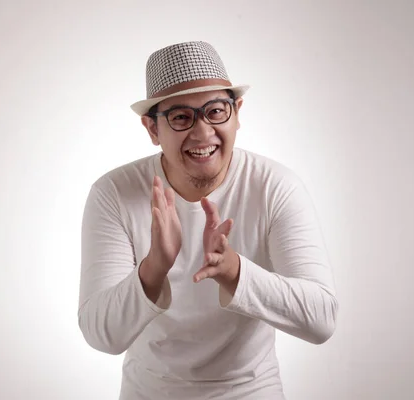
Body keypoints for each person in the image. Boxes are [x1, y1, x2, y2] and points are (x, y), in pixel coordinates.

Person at [78, 41, 338, 400]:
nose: (202, 133)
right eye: (181, 117)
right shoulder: (114, 194)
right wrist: (153, 268)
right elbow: (100, 334)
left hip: (251, 391)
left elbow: (321, 319)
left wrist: (233, 270)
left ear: (237, 113)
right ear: (152, 129)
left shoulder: (275, 187)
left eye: (216, 111)